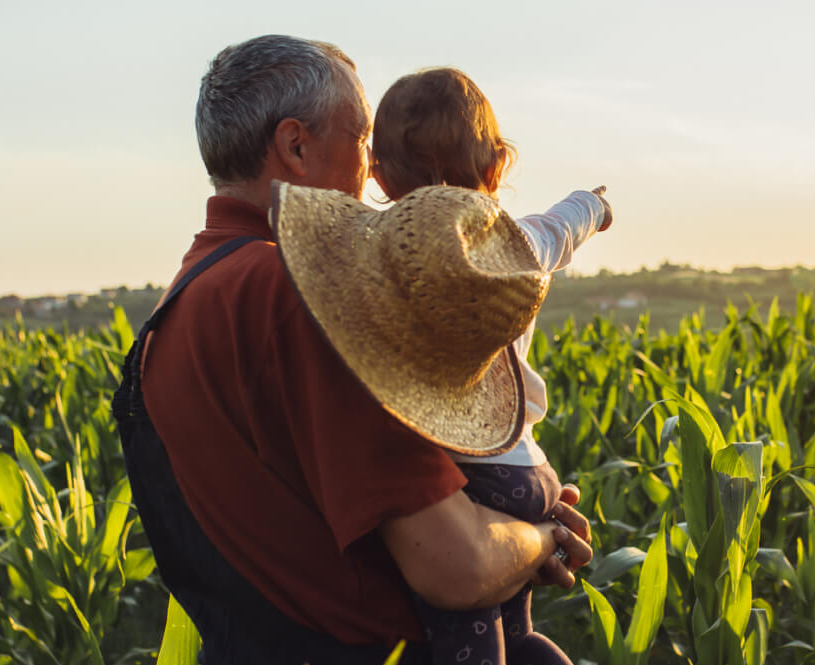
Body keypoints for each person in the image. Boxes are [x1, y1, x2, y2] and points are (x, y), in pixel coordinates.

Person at [111, 34, 593, 664]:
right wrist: (541, 535)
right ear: (296, 145)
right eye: (362, 138)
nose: (373, 171)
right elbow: (454, 565)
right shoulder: (301, 297)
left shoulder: (178, 306)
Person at [358, 66, 613, 664]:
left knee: (470, 649)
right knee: (518, 636)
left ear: (379, 175)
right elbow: (565, 223)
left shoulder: (379, 267)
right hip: (530, 473)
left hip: (469, 483)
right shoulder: (522, 244)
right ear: (497, 166)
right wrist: (593, 207)